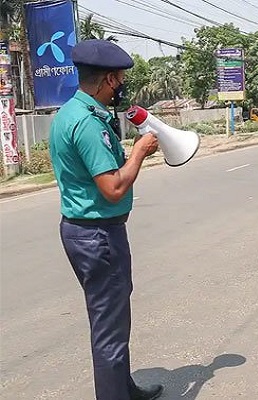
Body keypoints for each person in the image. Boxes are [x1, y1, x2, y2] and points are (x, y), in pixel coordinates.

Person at [48, 39, 163, 400]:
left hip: (88, 232)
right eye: (121, 79)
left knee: (112, 317)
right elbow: (112, 187)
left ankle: (123, 388)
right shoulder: (87, 123)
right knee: (109, 327)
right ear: (110, 79)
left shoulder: (71, 112)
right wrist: (141, 152)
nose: (123, 86)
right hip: (98, 235)